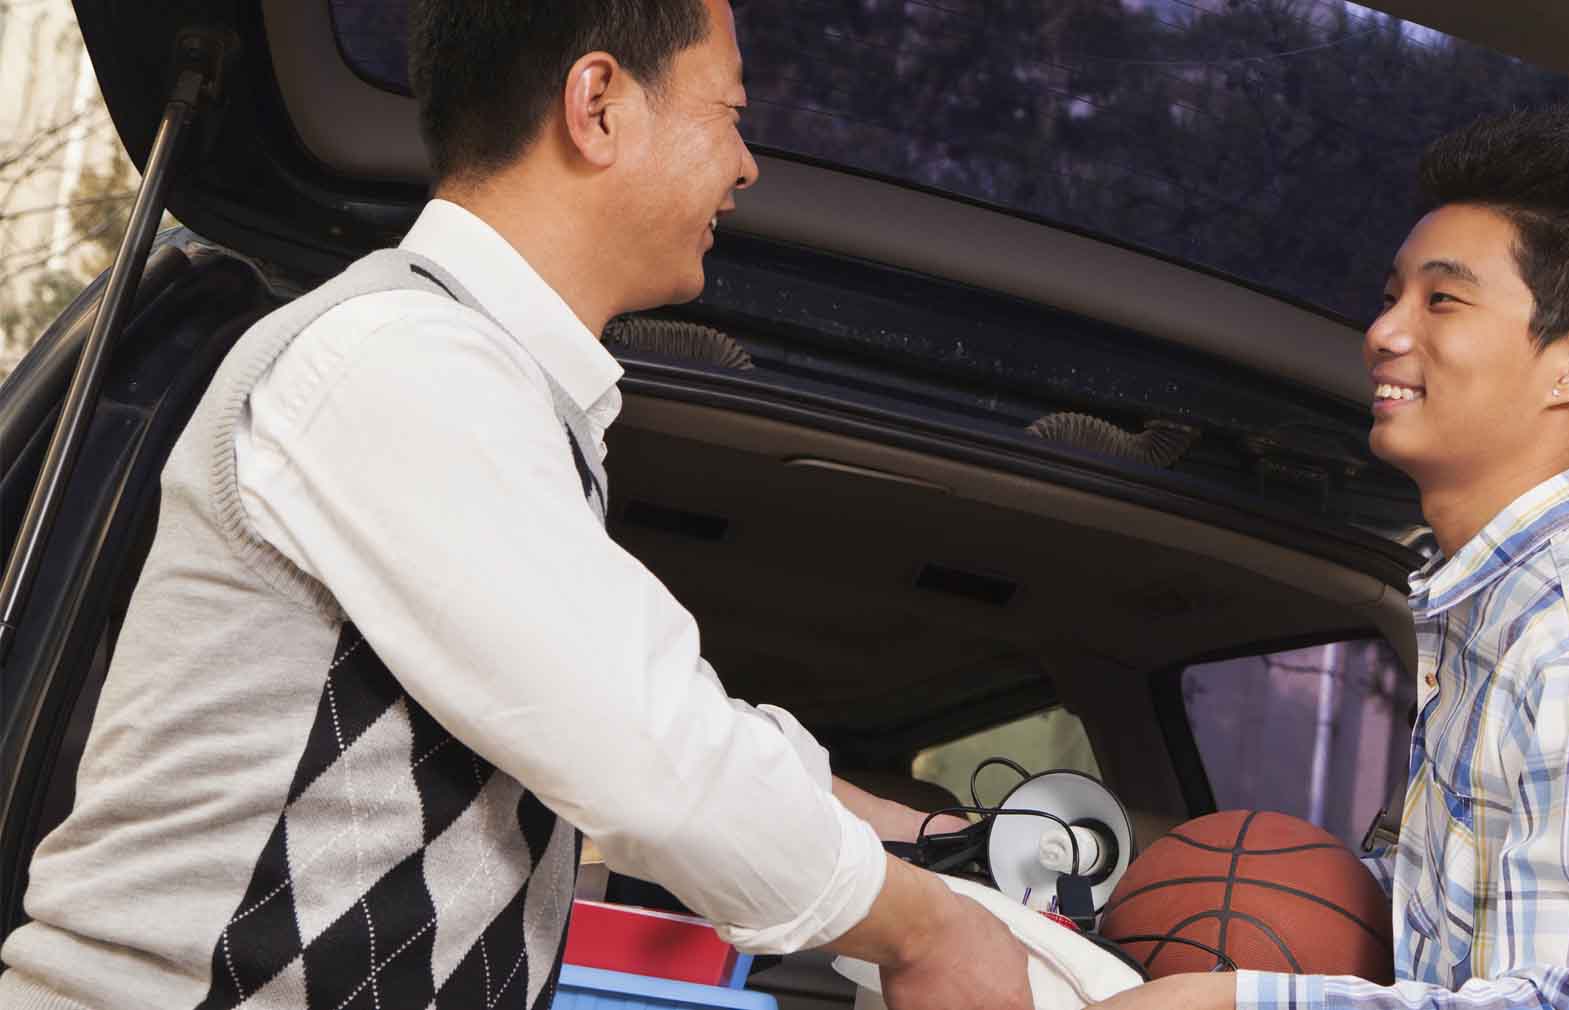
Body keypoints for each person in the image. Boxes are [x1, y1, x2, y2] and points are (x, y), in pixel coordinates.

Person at [0, 4, 1031, 1009]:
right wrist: (929, 929)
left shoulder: (484, 385)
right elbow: (652, 755)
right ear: (598, 106)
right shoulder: (398, 358)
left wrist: (924, 837)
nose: (746, 164)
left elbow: (657, 711)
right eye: (729, 112)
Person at [1094, 109, 1569, 1009]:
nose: (1383, 333)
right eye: (1391, 295)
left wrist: (1234, 1001)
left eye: (1441, 299)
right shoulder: (1490, 616)